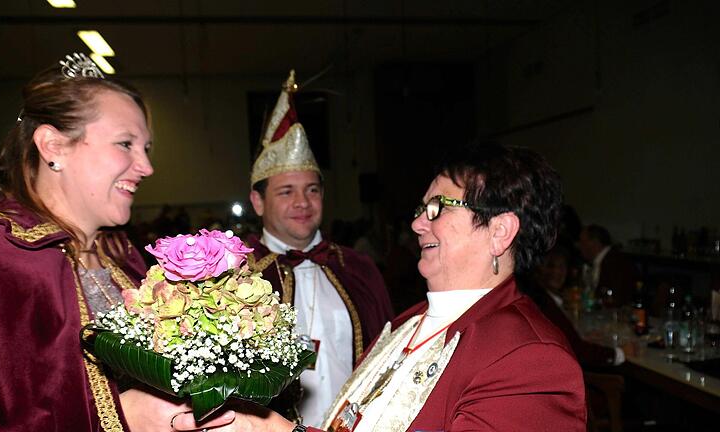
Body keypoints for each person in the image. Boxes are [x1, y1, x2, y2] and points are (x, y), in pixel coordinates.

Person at [175, 141, 587, 431]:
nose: (417, 223)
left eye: (437, 209)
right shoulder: (410, 323)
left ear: (500, 231)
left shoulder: (531, 359)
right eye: (421, 208)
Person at [0, 53, 194, 431]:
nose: (147, 167)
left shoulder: (124, 257)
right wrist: (121, 417)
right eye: (126, 144)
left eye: (146, 148)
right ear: (53, 146)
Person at [244, 70, 394, 425]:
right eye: (286, 191)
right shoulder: (235, 277)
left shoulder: (358, 268)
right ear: (257, 201)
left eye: (312, 189)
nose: (303, 202)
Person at [521, 246, 625, 368]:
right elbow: (577, 351)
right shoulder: (544, 304)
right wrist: (619, 353)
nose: (556, 272)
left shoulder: (540, 298)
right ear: (538, 269)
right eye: (550, 266)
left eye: (561, 267)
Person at [578, 224, 637, 307]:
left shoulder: (616, 263)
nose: (579, 246)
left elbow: (615, 299)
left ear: (595, 243)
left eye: (583, 242)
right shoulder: (601, 261)